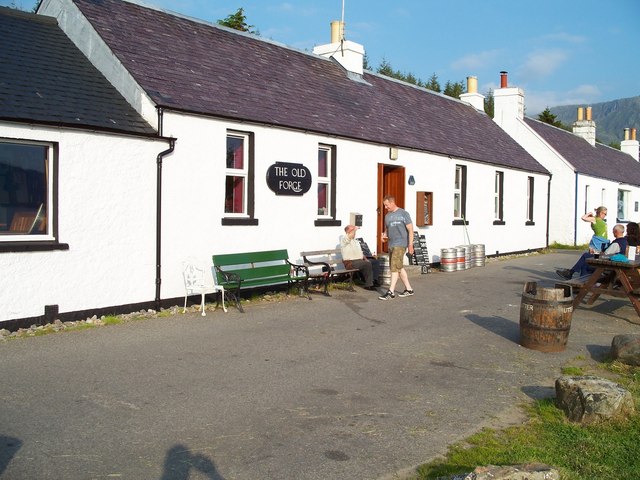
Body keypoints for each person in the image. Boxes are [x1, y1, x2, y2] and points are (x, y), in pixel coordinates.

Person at [557, 223, 626, 279]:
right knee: (586, 260)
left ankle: (573, 275)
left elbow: (605, 255)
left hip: (608, 265)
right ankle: (573, 276)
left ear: (616, 232)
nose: (612, 232)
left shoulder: (616, 243)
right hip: (615, 263)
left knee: (585, 258)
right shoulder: (625, 241)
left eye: (613, 231)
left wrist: (595, 252)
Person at [378, 195, 414, 300]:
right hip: (391, 244)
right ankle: (409, 289)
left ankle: (391, 292)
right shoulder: (387, 216)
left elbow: (411, 230)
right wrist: (383, 236)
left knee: (394, 267)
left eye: (386, 205)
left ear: (392, 202)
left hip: (401, 244)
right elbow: (386, 229)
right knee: (398, 267)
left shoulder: (404, 214)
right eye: (385, 205)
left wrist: (410, 245)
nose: (385, 207)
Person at [340, 225, 378, 291]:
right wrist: (354, 229)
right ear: (348, 232)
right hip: (350, 262)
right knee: (367, 264)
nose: (354, 233)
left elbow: (361, 253)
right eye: (353, 231)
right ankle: (368, 285)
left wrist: (366, 259)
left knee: (374, 262)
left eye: (354, 231)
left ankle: (374, 281)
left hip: (359, 261)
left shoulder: (355, 241)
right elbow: (349, 236)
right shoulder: (344, 239)